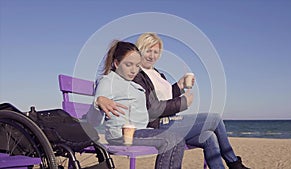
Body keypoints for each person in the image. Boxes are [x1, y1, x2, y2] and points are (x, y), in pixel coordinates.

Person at [95, 33, 250, 169]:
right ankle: (234, 163)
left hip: (169, 121)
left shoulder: (157, 73)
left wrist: (179, 86)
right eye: (148, 50)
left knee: (209, 136)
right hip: (158, 124)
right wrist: (182, 103)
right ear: (140, 50)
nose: (152, 55)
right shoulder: (135, 74)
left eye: (156, 52)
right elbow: (152, 108)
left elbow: (163, 98)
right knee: (214, 119)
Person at [88, 40, 185, 169]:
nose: (134, 70)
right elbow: (93, 121)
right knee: (172, 140)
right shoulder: (108, 81)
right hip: (123, 135)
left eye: (137, 65)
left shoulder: (133, 84)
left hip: (142, 131)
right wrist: (99, 101)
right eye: (129, 65)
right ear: (116, 63)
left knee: (177, 138)